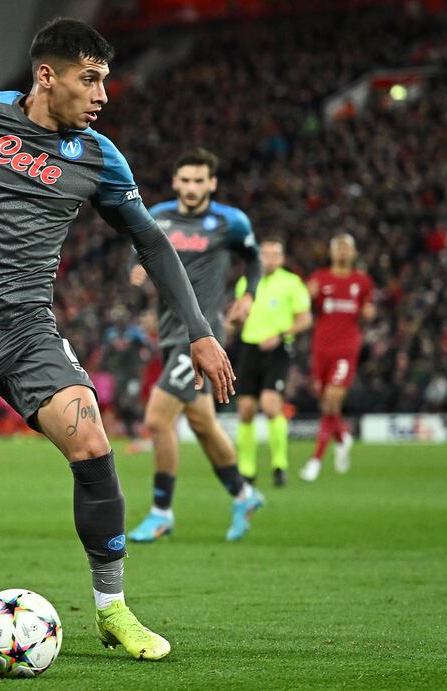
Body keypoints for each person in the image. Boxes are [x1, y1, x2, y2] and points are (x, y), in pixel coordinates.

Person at [0, 18, 235, 662]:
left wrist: (199, 332)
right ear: (46, 76)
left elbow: (150, 240)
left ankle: (113, 609)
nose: (102, 95)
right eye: (89, 79)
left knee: (93, 441)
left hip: (27, 328)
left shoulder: (98, 157)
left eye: (105, 81)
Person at [127, 148, 264, 544]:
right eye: (184, 180)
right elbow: (137, 252)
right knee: (204, 425)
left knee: (157, 420)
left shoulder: (230, 222)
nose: (191, 187)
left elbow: (253, 261)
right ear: (175, 182)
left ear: (212, 183)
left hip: (202, 335)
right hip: (169, 334)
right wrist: (133, 272)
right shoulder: (160, 216)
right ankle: (243, 494)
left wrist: (250, 294)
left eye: (198, 180)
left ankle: (161, 512)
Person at [231, 239, 312, 486]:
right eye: (265, 254)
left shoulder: (292, 283)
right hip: (249, 347)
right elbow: (239, 316)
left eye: (275, 254)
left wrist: (280, 334)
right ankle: (247, 470)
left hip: (277, 349)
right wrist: (233, 320)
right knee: (245, 409)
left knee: (269, 405)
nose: (270, 259)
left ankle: (279, 465)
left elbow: (305, 319)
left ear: (282, 258)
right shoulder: (245, 283)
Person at [299, 233, 374, 481]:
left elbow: (366, 309)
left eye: (347, 248)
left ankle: (316, 460)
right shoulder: (319, 279)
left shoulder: (362, 282)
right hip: (321, 347)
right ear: (331, 253)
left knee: (332, 400)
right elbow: (301, 305)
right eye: (338, 247)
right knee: (325, 403)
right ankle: (342, 438)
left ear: (354, 253)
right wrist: (305, 296)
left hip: (346, 348)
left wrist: (368, 312)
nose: (342, 252)